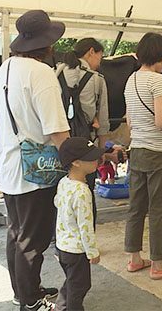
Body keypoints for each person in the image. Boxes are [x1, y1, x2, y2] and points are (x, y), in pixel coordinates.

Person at [0, 9, 70, 311]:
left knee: (16, 234)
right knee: (32, 240)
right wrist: (78, 158)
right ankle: (31, 300)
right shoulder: (42, 73)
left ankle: (23, 290)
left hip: (9, 165)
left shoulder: (6, 67)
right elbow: (57, 130)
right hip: (35, 170)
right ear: (47, 43)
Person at [123, 32, 162, 280]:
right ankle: (158, 266)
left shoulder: (131, 79)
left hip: (137, 150)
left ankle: (135, 259)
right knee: (158, 210)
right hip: (158, 153)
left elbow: (129, 121)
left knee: (136, 208)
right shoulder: (158, 81)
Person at [57, 38, 112, 226]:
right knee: (86, 190)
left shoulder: (56, 72)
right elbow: (102, 119)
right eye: (100, 56)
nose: (100, 62)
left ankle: (62, 236)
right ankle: (87, 236)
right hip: (84, 143)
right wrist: (102, 149)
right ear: (91, 52)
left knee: (62, 188)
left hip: (59, 141)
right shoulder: (96, 79)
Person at [54, 137, 103, 311]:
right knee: (80, 286)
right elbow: (85, 225)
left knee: (72, 280)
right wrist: (92, 251)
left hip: (63, 245)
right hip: (77, 249)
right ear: (76, 162)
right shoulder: (83, 191)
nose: (96, 160)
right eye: (90, 157)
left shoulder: (64, 182)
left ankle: (60, 306)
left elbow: (57, 203)